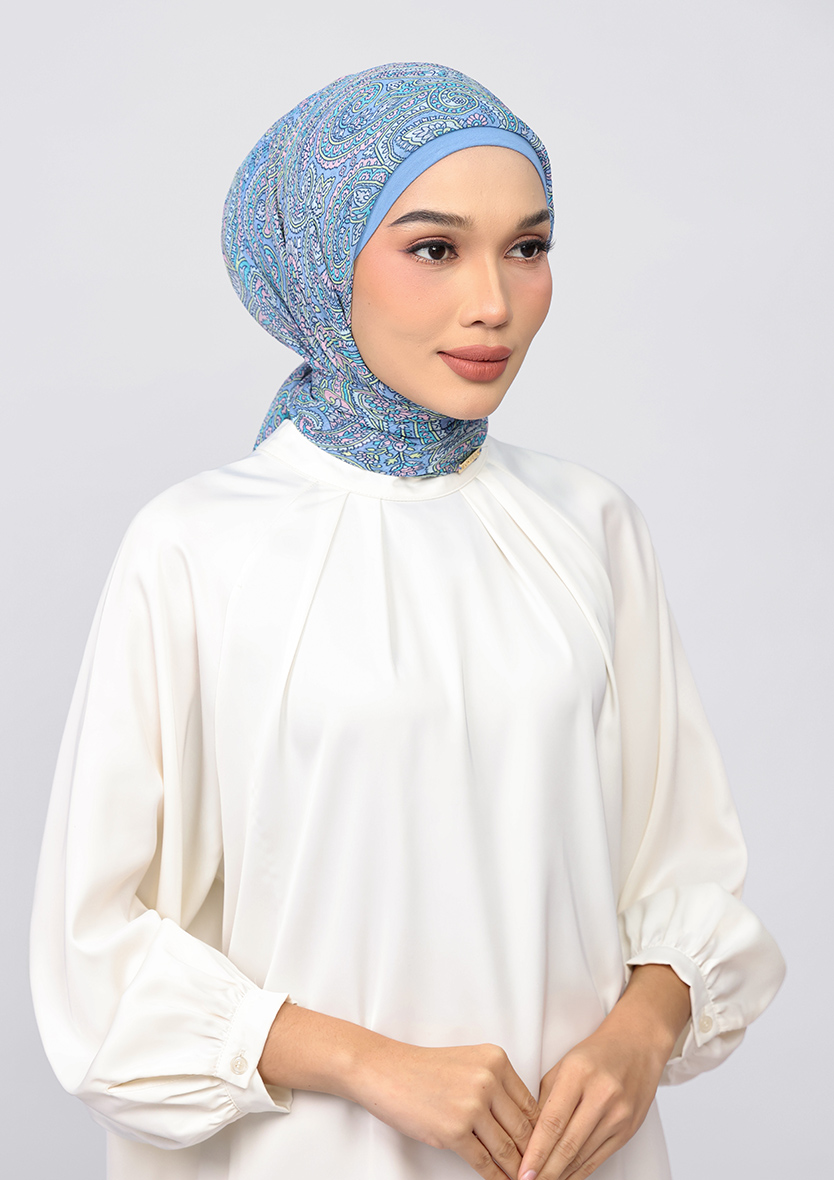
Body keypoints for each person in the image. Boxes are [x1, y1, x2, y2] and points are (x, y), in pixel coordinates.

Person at [30, 62, 785, 1180]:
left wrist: (641, 1031)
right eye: (435, 248)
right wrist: (370, 1064)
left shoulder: (588, 525)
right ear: (322, 262)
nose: (493, 302)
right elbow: (95, 957)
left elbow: (680, 866)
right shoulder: (195, 547)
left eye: (527, 247)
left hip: (573, 1158)